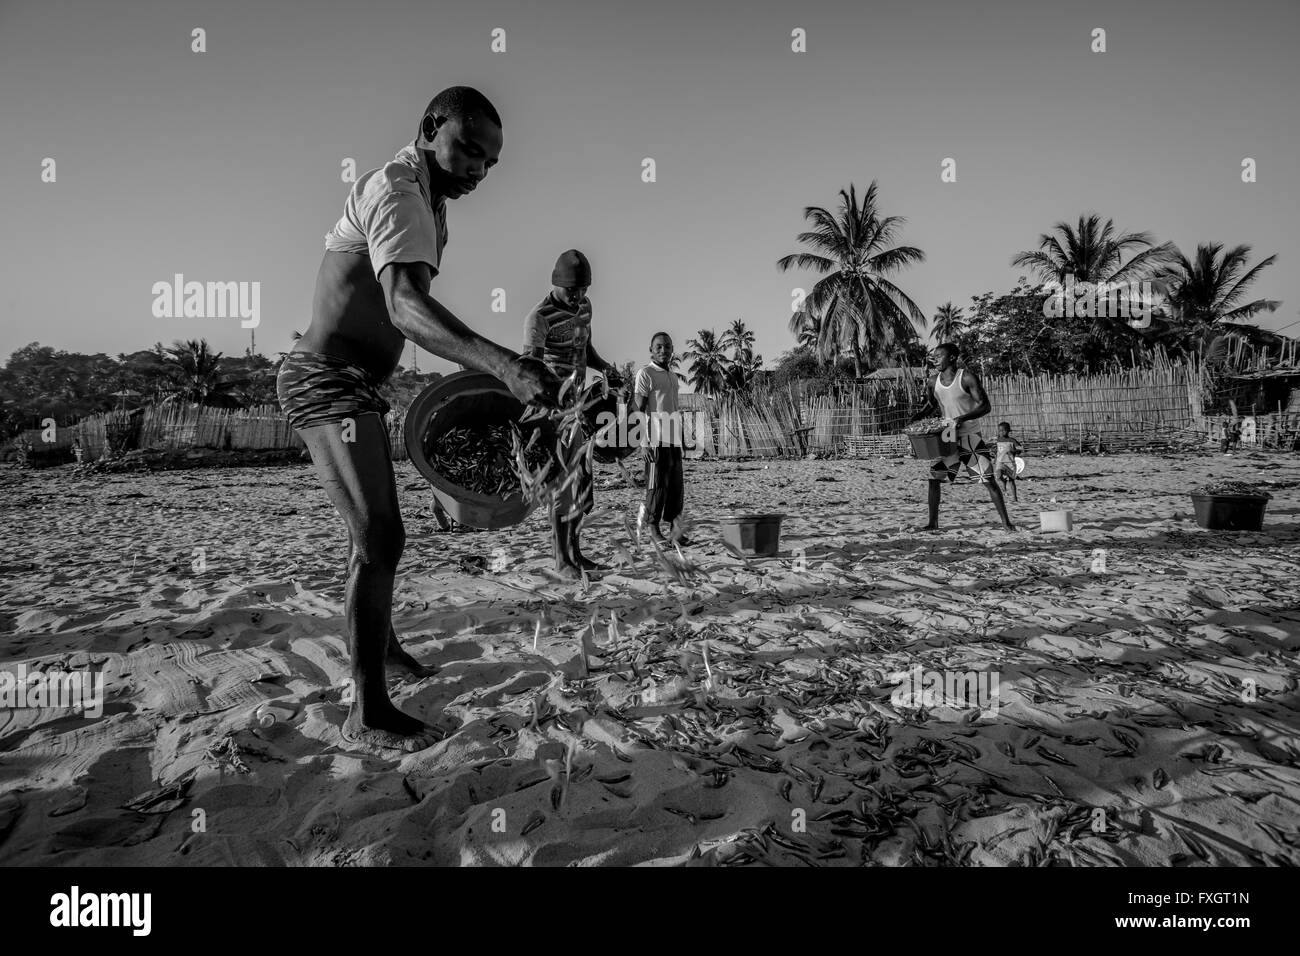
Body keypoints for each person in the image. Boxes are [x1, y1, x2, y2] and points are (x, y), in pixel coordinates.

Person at [276, 87, 559, 752]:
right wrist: (508, 367)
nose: (478, 170)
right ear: (431, 128)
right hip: (324, 379)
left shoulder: (430, 205)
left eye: (490, 162)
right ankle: (367, 711)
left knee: (369, 538)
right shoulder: (399, 188)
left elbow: (400, 311)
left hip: (362, 385)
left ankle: (387, 650)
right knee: (382, 536)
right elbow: (404, 307)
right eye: (468, 149)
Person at [523, 250, 622, 579]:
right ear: (556, 284)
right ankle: (561, 560)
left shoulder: (584, 307)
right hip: (554, 412)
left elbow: (586, 349)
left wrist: (605, 367)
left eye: (584, 290)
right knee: (562, 487)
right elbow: (530, 369)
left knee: (582, 487)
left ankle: (576, 555)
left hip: (578, 407)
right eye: (572, 290)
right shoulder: (539, 317)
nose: (578, 296)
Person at [914, 343, 1014, 531]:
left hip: (970, 436)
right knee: (935, 479)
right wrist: (919, 416)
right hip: (946, 435)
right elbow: (931, 405)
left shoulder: (966, 377)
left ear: (952, 357)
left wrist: (962, 418)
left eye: (939, 356)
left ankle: (1006, 523)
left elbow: (985, 406)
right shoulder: (932, 381)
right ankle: (932, 523)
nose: (934, 360)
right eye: (933, 356)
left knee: (988, 480)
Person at [633, 332, 689, 543]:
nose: (663, 350)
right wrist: (643, 443)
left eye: (666, 346)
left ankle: (675, 529)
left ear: (672, 348)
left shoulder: (673, 376)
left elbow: (673, 407)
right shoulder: (645, 373)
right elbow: (638, 409)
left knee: (676, 487)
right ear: (651, 350)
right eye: (658, 347)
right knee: (657, 487)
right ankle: (653, 528)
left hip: (672, 440)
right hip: (655, 441)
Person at [993, 421, 1023, 502]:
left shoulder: (1012, 440)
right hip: (1000, 462)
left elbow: (1020, 449)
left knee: (1011, 481)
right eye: (1000, 430)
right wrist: (995, 459)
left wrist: (1013, 451)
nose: (1001, 432)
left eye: (1003, 430)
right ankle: (1003, 482)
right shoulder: (998, 440)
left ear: (1009, 431)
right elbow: (998, 451)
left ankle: (1014, 498)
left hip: (1010, 463)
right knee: (998, 476)